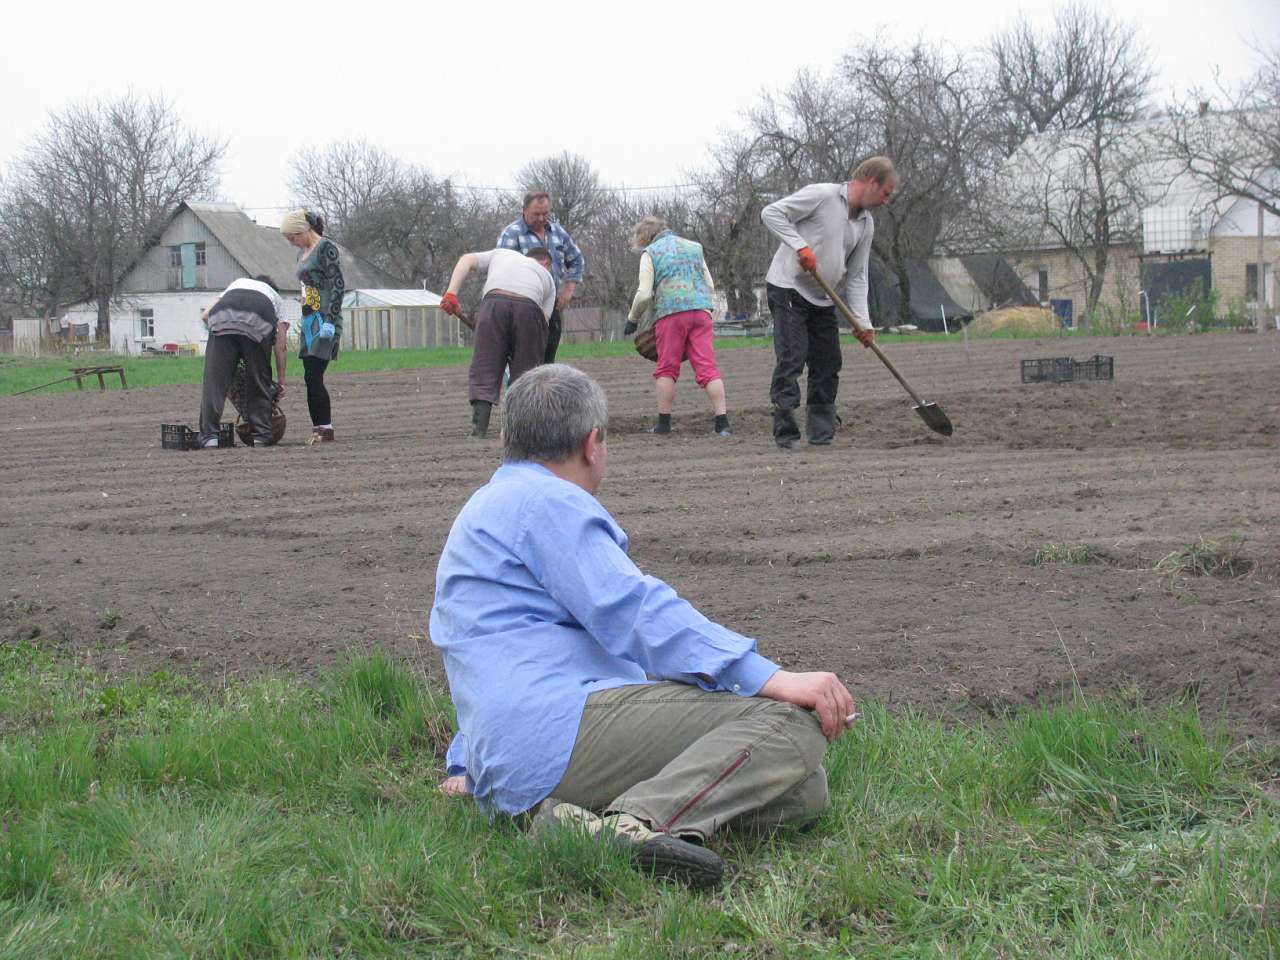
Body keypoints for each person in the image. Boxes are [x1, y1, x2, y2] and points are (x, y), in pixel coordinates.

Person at [429, 364, 857, 887]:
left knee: (804, 790)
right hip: (556, 735)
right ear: (592, 444)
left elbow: (482, 655)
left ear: (508, 439)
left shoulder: (486, 509)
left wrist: (468, 758)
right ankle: (635, 824)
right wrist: (767, 677)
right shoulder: (548, 503)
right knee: (789, 723)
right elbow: (634, 609)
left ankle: (569, 821)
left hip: (516, 754)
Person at [760, 156, 897, 449]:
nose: (886, 201)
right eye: (886, 193)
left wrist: (863, 322)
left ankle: (821, 432)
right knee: (792, 357)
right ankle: (785, 432)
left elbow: (857, 275)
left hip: (823, 297)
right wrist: (800, 246)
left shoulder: (866, 224)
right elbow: (771, 213)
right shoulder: (822, 195)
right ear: (871, 182)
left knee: (828, 362)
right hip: (788, 287)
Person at [623, 216, 730, 437]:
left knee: (667, 368)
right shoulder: (694, 247)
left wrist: (632, 319)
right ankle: (722, 424)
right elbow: (709, 284)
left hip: (671, 314)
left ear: (645, 237)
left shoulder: (651, 253)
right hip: (702, 312)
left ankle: (663, 425)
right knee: (708, 368)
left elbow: (644, 294)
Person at [440, 247, 556, 438]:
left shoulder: (501, 254)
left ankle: (478, 431)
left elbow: (466, 259)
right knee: (525, 372)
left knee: (485, 366)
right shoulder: (548, 279)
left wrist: (451, 294)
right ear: (546, 264)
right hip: (530, 308)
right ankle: (514, 430)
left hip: (494, 301)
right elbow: (541, 325)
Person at [197, 274, 287, 447]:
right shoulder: (276, 298)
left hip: (221, 320)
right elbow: (281, 345)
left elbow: (206, 315)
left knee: (214, 383)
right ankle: (261, 436)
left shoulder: (237, 284)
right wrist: (281, 382)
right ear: (272, 289)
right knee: (258, 379)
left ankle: (209, 438)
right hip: (258, 323)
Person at [497, 191, 585, 363]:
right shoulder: (511, 234)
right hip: (523, 309)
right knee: (523, 362)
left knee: (547, 362)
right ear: (524, 210)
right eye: (536, 214)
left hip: (552, 308)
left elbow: (577, 260)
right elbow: (501, 269)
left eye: (545, 214)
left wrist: (568, 290)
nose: (541, 218)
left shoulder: (557, 232)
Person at [281, 209, 344, 444]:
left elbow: (338, 285)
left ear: (304, 230)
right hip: (309, 320)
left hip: (325, 319)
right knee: (309, 376)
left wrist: (330, 321)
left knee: (314, 374)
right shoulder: (301, 254)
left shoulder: (326, 248)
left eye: (292, 237)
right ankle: (318, 428)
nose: (291, 243)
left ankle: (326, 429)